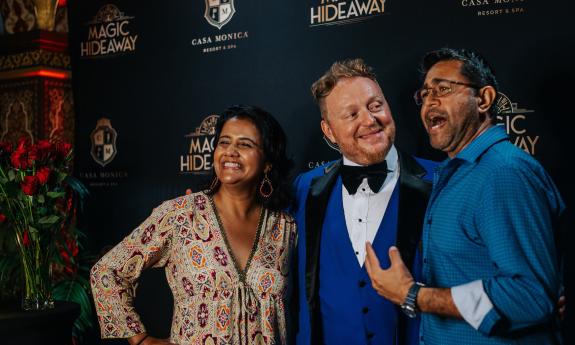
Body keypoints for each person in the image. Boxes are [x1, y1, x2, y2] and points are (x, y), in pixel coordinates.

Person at [364, 48, 565, 345]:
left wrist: (412, 294)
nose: (429, 102)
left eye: (443, 89)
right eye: (425, 94)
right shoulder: (454, 173)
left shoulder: (503, 173)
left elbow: (530, 296)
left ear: (483, 100)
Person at [90, 105, 297, 345]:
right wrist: (141, 340)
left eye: (245, 144)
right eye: (224, 142)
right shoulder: (181, 215)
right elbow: (107, 272)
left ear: (268, 162)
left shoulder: (284, 227)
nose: (230, 151)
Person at [291, 58, 437, 345]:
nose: (369, 120)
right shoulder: (306, 188)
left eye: (375, 106)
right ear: (329, 131)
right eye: (351, 114)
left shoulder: (440, 180)